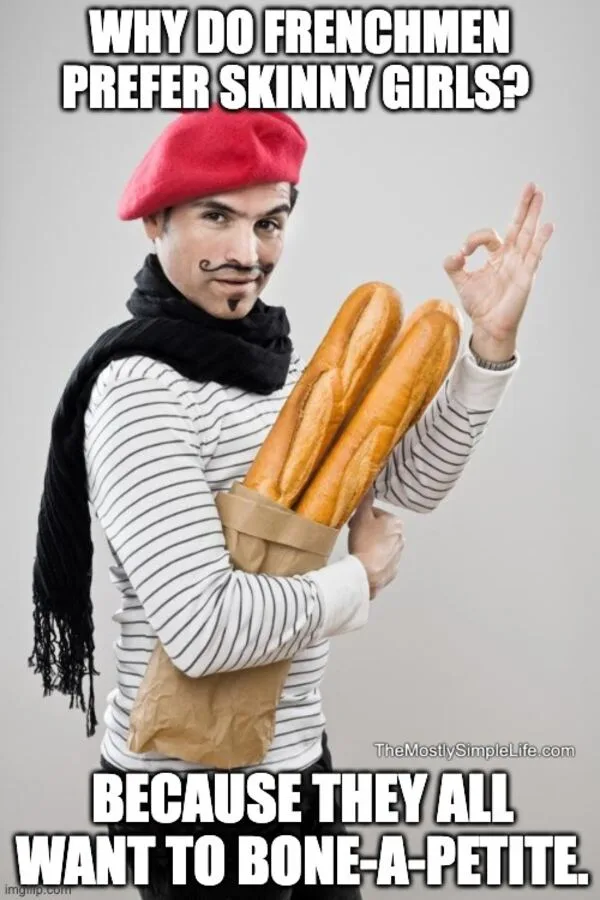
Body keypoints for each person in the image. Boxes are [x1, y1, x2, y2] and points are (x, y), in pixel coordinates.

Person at [29, 107, 553, 898]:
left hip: (296, 767)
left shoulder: (279, 368)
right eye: (217, 218)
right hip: (184, 804)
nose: (247, 254)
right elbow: (202, 632)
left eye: (269, 223)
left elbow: (406, 486)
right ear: (155, 223)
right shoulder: (139, 390)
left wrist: (486, 348)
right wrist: (357, 582)